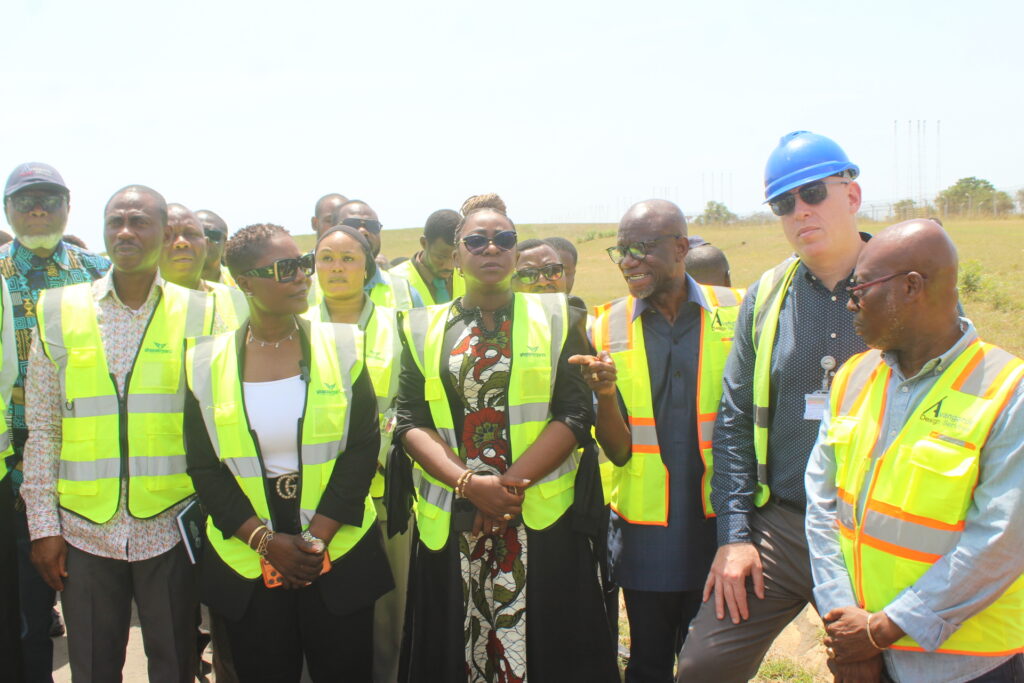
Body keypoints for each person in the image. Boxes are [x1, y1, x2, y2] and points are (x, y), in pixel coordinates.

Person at [396, 193, 618, 682]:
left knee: (551, 653)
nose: (491, 248)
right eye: (476, 240)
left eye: (504, 239)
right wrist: (470, 484)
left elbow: (575, 413)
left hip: (538, 517)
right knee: (453, 650)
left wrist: (507, 488)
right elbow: (410, 420)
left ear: (516, 252)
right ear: (456, 257)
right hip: (455, 519)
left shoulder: (562, 318)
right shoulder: (419, 328)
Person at [677, 131, 868, 681]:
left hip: (873, 531)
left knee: (883, 670)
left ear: (851, 195)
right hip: (784, 527)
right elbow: (734, 421)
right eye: (784, 204)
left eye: (812, 194)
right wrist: (735, 537)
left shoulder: (901, 279)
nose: (799, 212)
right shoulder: (767, 296)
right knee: (702, 667)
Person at [806, 220, 1024, 683]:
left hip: (969, 666)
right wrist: (846, 626)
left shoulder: (1009, 392)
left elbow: (1002, 540)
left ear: (911, 288)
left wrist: (884, 629)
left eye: (860, 288)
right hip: (862, 653)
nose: (849, 303)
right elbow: (822, 508)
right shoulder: (851, 377)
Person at [22, 185, 216, 683]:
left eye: (139, 222)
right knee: (92, 665)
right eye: (115, 222)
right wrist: (44, 527)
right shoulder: (57, 309)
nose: (125, 232)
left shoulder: (203, 313)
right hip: (84, 529)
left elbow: (218, 425)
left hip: (171, 525)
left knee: (176, 661)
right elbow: (43, 427)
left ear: (164, 232)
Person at [571, 200, 744, 683]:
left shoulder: (738, 310)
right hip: (648, 532)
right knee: (648, 660)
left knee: (711, 664)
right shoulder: (603, 327)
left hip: (723, 525)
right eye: (622, 250)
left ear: (682, 247)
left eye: (643, 248)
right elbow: (620, 450)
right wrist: (605, 393)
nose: (629, 260)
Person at [0, 162, 110, 683]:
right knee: (25, 613)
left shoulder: (98, 272)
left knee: (94, 606)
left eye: (48, 199)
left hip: (91, 460)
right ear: (7, 210)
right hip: (14, 463)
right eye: (25, 201)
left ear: (69, 206)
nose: (37, 209)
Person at [303, 224, 409, 683]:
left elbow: (411, 406)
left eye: (349, 258)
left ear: (368, 266)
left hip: (385, 498)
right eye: (327, 257)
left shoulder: (398, 325)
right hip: (314, 502)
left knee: (391, 616)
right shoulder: (294, 326)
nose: (337, 268)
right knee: (320, 615)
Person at [310, 199, 422, 310]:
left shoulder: (406, 293)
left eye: (372, 225)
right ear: (333, 229)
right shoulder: (306, 288)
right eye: (352, 224)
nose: (363, 231)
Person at [161, 203, 247, 330]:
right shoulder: (135, 302)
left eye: (191, 234)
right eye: (168, 236)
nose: (182, 242)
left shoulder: (241, 296)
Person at [388, 208, 458, 305]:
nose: (449, 266)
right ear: (424, 243)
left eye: (456, 257)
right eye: (440, 257)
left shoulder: (470, 277)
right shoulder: (393, 281)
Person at [195, 209, 235, 286]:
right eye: (196, 234)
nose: (205, 239)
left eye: (212, 234)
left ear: (225, 244)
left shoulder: (239, 282)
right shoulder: (165, 283)